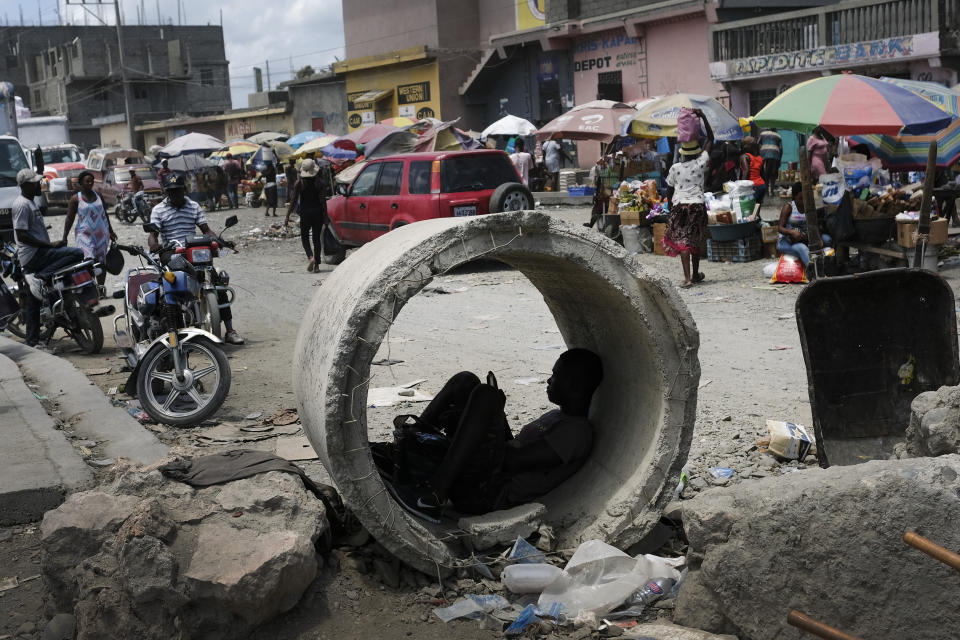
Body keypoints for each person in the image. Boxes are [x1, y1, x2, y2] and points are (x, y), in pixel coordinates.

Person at [385, 349, 604, 522]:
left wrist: (491, 419)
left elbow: (511, 462)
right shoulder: (556, 416)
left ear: (575, 386)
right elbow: (513, 445)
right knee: (465, 381)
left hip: (490, 493)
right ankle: (404, 449)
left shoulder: (577, 432)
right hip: (488, 474)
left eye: (556, 376)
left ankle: (433, 496)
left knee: (485, 396)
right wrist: (482, 420)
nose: (549, 381)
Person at [148, 174, 245, 345]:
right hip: (171, 251)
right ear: (166, 192)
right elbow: (153, 235)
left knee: (218, 283)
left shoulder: (193, 206)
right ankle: (173, 328)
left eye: (177, 190)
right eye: (171, 191)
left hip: (194, 250)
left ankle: (229, 330)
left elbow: (206, 229)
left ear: (183, 190)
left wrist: (218, 240)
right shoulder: (158, 210)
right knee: (171, 286)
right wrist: (154, 245)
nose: (175, 194)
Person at [11, 168, 84, 347]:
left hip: (38, 254)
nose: (39, 184)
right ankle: (43, 277)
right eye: (35, 182)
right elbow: (22, 235)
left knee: (34, 303)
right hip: (34, 256)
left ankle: (33, 340)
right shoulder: (21, 205)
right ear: (26, 185)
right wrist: (49, 245)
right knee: (77, 253)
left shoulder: (30, 202)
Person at [663, 108, 714, 288]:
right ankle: (695, 273)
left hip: (679, 206)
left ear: (682, 152)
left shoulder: (675, 168)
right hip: (697, 207)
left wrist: (670, 207)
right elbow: (711, 139)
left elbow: (669, 190)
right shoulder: (701, 163)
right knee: (695, 240)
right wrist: (703, 117)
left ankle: (687, 278)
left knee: (683, 242)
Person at [62, 170, 117, 286]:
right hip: (84, 235)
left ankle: (101, 287)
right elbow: (69, 219)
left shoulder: (98, 195)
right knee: (88, 261)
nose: (90, 183)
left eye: (91, 181)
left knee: (101, 262)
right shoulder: (75, 199)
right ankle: (90, 286)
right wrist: (64, 237)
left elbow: (104, 214)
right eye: (87, 181)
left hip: (102, 234)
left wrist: (111, 231)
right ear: (81, 183)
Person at [285, 158, 337, 273]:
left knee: (304, 237)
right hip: (318, 213)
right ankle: (317, 265)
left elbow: (293, 200)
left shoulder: (299, 183)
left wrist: (287, 216)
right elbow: (323, 201)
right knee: (316, 239)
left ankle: (310, 257)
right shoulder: (320, 183)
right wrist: (325, 215)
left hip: (305, 213)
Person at [777, 181, 831, 267]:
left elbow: (814, 224)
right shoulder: (789, 207)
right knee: (802, 248)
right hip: (787, 242)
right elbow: (779, 228)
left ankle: (827, 263)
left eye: (805, 198)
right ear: (794, 197)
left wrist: (819, 237)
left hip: (805, 237)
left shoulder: (809, 206)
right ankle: (814, 270)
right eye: (800, 198)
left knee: (827, 239)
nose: (803, 201)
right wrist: (791, 232)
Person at [585, 156, 615, 228]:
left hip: (604, 193)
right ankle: (592, 223)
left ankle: (592, 224)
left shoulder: (608, 170)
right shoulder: (599, 170)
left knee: (598, 209)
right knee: (598, 208)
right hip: (602, 193)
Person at [739, 137, 766, 206]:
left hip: (752, 186)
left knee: (749, 208)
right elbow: (762, 174)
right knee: (757, 208)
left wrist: (742, 187)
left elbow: (746, 171)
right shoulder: (760, 158)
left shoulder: (744, 156)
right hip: (761, 185)